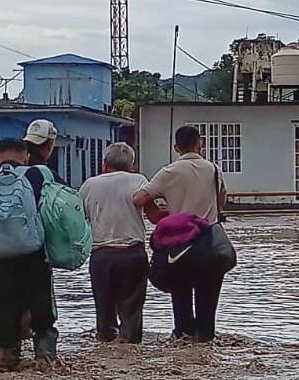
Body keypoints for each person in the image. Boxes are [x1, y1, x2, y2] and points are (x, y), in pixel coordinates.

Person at [0, 137, 59, 369]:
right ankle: (44, 353)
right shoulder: (40, 175)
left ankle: (6, 353)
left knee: (4, 304)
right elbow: (63, 206)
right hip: (35, 255)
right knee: (41, 305)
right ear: (26, 156)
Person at [134, 126, 227, 342]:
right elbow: (222, 201)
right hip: (210, 245)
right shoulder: (214, 170)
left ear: (176, 147)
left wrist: (160, 215)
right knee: (208, 303)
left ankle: (183, 341)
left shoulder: (169, 172)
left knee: (181, 298)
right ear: (200, 144)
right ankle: (205, 346)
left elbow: (139, 199)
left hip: (180, 245)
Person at [79, 142, 149, 344]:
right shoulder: (139, 180)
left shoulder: (90, 184)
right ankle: (130, 346)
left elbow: (81, 218)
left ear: (104, 164)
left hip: (102, 256)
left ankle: (106, 344)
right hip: (133, 254)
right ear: (132, 164)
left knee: (104, 310)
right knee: (132, 312)